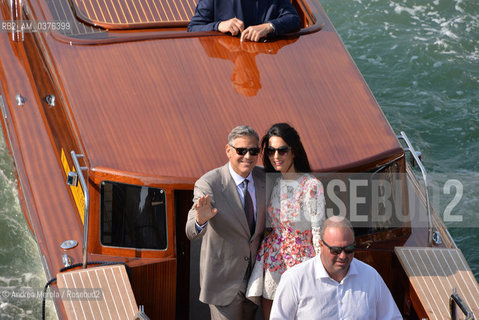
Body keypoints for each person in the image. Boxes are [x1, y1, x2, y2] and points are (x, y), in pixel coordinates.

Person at [185, 125, 266, 320]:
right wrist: (200, 220)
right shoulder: (209, 183)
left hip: (256, 278)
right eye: (241, 151)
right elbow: (190, 230)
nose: (248, 156)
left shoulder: (265, 177)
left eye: (253, 151)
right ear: (228, 150)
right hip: (224, 281)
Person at [246, 123, 325, 319]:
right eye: (271, 150)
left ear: (294, 151)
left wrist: (323, 273)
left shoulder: (311, 186)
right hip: (272, 259)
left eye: (282, 150)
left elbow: (318, 232)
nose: (275, 156)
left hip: (300, 263)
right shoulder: (274, 182)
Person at [270, 216, 403, 320]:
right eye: (336, 250)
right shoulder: (295, 279)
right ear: (320, 245)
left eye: (349, 249)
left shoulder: (370, 276)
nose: (343, 256)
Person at [187, 0, 301, 42]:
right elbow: (193, 28)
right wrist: (218, 26)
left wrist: (269, 27)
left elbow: (293, 19)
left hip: (266, 60)